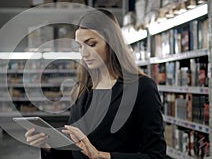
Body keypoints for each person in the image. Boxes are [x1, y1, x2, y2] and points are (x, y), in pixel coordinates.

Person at [25, 9, 166, 159]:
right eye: (80, 46)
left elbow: (156, 156)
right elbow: (74, 151)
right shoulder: (83, 89)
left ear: (112, 43)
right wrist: (48, 146)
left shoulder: (142, 88)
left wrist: (102, 156)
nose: (84, 53)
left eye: (91, 44)